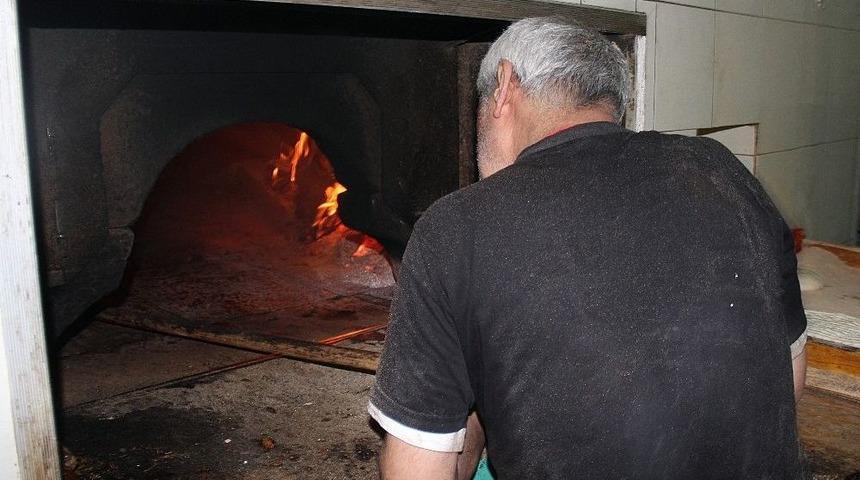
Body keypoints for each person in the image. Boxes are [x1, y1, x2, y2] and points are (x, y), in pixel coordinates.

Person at [368, 17, 808, 480]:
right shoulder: (722, 170)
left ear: (504, 86)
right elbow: (788, 379)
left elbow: (416, 471)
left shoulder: (456, 227)